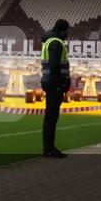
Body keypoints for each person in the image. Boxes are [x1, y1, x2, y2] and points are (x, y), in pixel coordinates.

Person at [40, 19, 72, 158]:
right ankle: (49, 149)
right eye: (67, 31)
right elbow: (54, 66)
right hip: (54, 84)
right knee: (51, 117)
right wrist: (60, 84)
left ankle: (49, 148)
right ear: (63, 30)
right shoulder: (56, 42)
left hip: (51, 82)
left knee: (51, 117)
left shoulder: (50, 41)